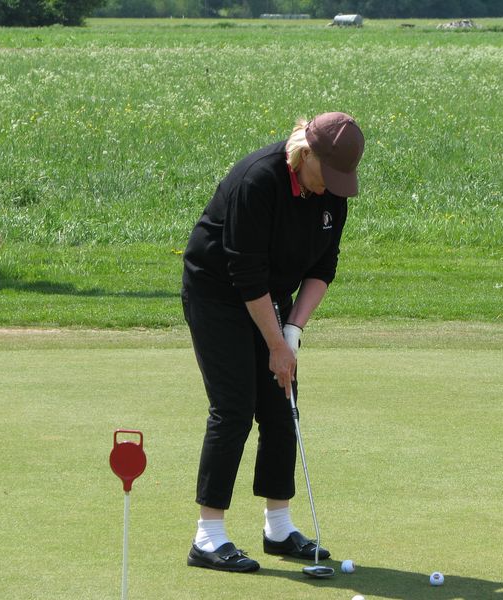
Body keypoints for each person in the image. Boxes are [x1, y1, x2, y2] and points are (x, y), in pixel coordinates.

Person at [181, 112, 365, 573]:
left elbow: (323, 268)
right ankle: (208, 536)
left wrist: (292, 332)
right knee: (234, 407)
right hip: (218, 293)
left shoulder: (332, 192)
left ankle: (278, 528)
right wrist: (275, 346)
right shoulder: (258, 180)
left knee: (281, 405)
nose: (333, 187)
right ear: (307, 153)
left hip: (272, 295)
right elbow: (245, 274)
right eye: (329, 174)